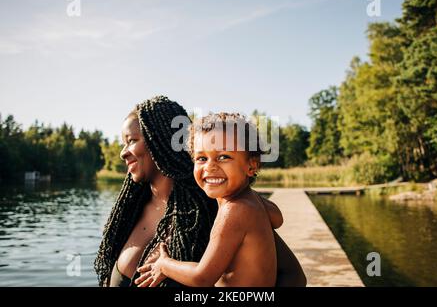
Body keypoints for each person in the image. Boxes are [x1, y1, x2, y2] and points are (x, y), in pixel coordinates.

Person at [94, 96, 307, 287]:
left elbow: (293, 276)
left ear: (159, 141)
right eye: (202, 157)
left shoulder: (216, 207)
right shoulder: (128, 211)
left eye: (131, 141)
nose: (123, 153)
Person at [133, 113, 289, 287]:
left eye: (223, 157)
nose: (210, 166)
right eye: (201, 158)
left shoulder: (234, 210)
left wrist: (164, 265)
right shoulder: (252, 201)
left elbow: (202, 278)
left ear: (251, 166)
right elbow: (278, 218)